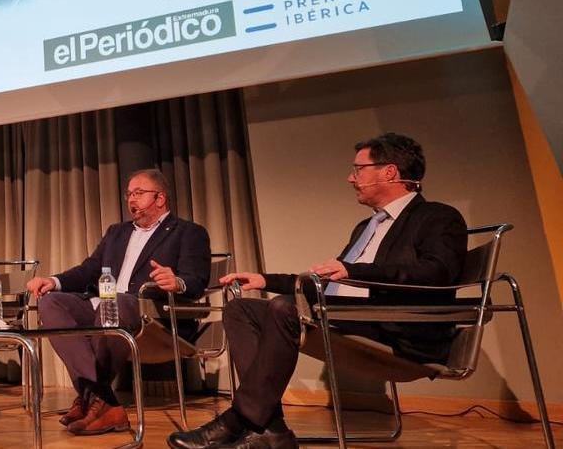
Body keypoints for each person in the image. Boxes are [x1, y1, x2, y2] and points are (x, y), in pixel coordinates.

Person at [169, 133, 467, 449]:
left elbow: (437, 274)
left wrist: (356, 270)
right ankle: (272, 429)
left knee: (285, 308)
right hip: (346, 316)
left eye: (358, 169)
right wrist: (266, 280)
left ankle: (237, 420)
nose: (350, 178)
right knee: (241, 309)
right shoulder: (366, 227)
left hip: (397, 328)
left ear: (389, 172)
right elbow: (330, 283)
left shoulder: (438, 217)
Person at [27, 168, 212, 436]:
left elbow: (197, 281)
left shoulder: (188, 232)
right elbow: (89, 269)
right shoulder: (117, 232)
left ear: (160, 198)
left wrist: (178, 281)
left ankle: (92, 399)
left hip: (152, 316)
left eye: (138, 193)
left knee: (119, 301)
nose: (131, 200)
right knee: (50, 303)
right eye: (128, 195)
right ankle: (103, 402)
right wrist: (53, 281)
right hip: (104, 305)